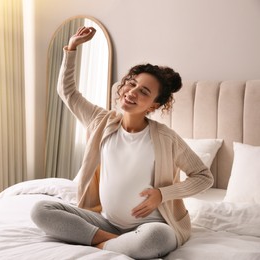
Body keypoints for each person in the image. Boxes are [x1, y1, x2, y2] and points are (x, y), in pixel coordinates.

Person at [31, 26, 213, 259]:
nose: (132, 92)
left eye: (144, 91)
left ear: (154, 106)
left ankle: (98, 242)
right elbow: (67, 92)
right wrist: (72, 48)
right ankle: (114, 242)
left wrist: (163, 193)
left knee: (158, 238)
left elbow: (204, 177)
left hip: (150, 226)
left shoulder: (166, 137)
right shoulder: (101, 121)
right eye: (132, 83)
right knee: (41, 210)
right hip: (106, 222)